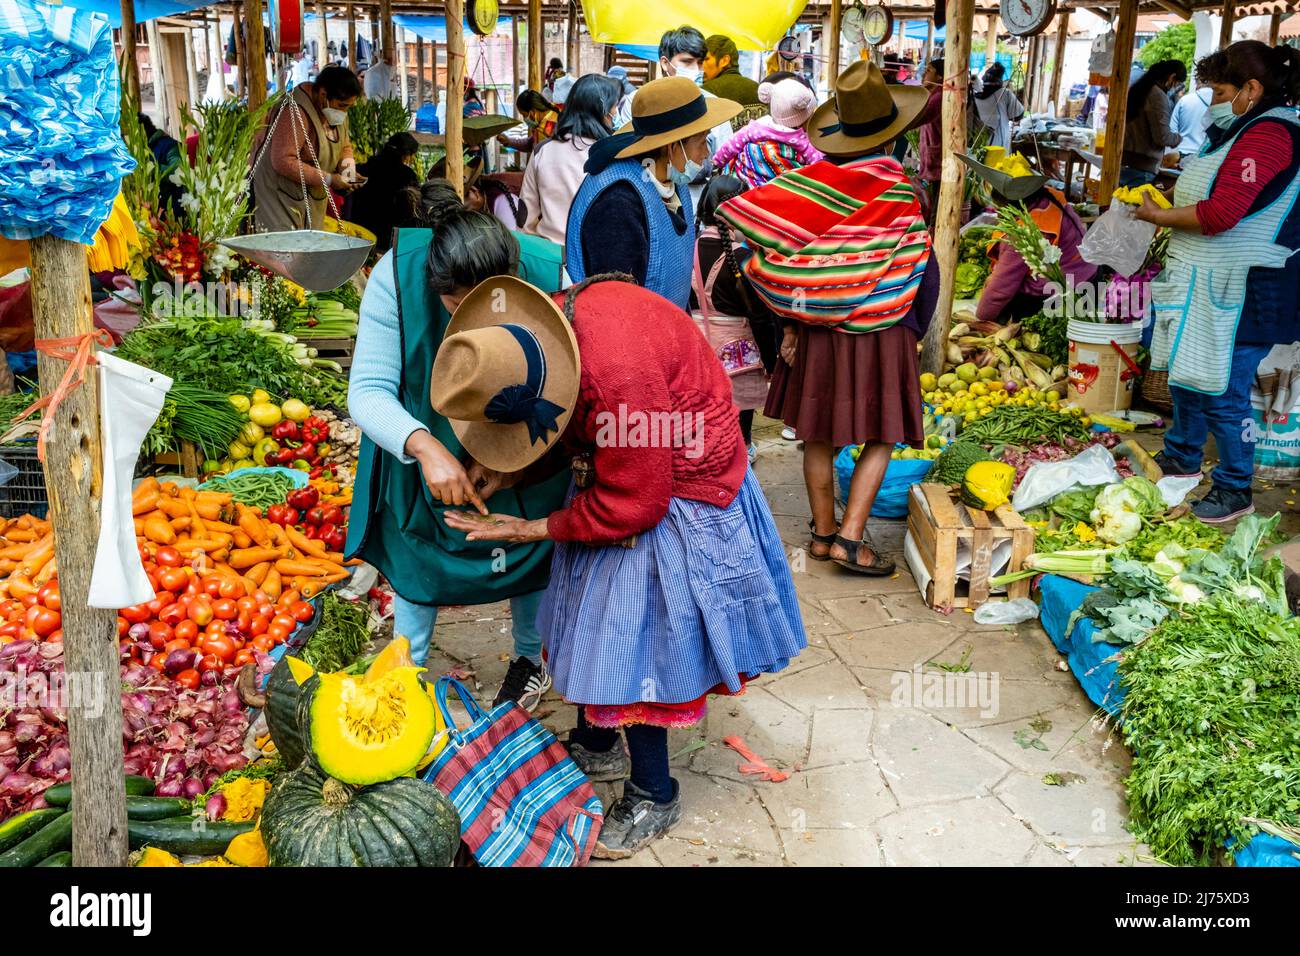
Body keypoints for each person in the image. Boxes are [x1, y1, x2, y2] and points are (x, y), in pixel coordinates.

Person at [440, 274, 805, 859]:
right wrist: (512, 470)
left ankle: (654, 792)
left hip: (680, 485)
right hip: (635, 465)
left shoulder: (617, 373)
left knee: (634, 643)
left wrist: (532, 526)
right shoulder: (545, 334)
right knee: (586, 610)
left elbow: (637, 501)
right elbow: (565, 422)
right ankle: (597, 737)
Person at [346, 184, 571, 710]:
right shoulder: (395, 278)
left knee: (529, 543)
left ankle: (527, 660)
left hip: (524, 432)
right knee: (418, 549)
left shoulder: (549, 272)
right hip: (425, 426)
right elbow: (369, 391)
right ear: (434, 284)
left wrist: (516, 462)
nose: (476, 316)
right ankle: (407, 674)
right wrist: (424, 448)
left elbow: (570, 379)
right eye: (456, 305)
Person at [717, 60, 939, 574]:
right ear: (891, 138)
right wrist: (913, 326)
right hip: (885, 329)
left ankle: (821, 534)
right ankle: (850, 538)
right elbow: (922, 271)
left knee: (818, 433)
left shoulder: (808, 188)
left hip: (817, 329)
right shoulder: (906, 194)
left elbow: (756, 232)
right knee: (882, 434)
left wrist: (795, 318)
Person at [1136, 41, 1300, 523]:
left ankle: (1234, 487)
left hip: (1247, 287)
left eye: (1220, 90)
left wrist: (1158, 216)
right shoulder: (1236, 129)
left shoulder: (1270, 136)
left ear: (1252, 88)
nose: (1212, 101)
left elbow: (1224, 212)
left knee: (1224, 390)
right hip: (1205, 281)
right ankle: (1182, 457)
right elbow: (1215, 189)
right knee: (1189, 374)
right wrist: (1165, 197)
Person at [567, 76, 740, 309]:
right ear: (673, 146)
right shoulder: (617, 204)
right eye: (701, 142)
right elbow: (617, 306)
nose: (707, 153)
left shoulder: (673, 179)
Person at [691, 175, 784, 463]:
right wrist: (771, 361)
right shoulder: (741, 257)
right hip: (740, 355)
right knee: (740, 440)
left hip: (697, 347)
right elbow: (761, 317)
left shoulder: (687, 249)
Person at [959, 158, 1097, 323]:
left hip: (1066, 294)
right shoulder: (1048, 196)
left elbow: (1000, 290)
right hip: (1089, 274)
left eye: (999, 208)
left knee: (1005, 303)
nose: (999, 214)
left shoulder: (1021, 234)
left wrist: (979, 320)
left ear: (1009, 205)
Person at [251, 65, 361, 232]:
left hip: (310, 196)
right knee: (285, 251)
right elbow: (283, 160)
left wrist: (348, 170)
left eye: (348, 107)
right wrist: (330, 179)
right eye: (342, 105)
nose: (344, 111)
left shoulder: (334, 109)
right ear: (323, 94)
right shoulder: (294, 110)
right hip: (280, 197)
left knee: (309, 246)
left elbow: (344, 145)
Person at [520, 74, 621, 245]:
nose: (615, 113)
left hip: (551, 259)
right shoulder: (613, 155)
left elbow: (526, 216)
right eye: (614, 107)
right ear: (601, 111)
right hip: (596, 260)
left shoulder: (542, 151)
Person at [646, 25, 737, 201]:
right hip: (652, 200)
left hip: (698, 205)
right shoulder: (641, 104)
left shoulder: (715, 107)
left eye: (700, 63)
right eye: (687, 62)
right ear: (665, 63)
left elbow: (725, 162)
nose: (696, 69)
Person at [711, 75, 823, 189]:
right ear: (803, 120)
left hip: (748, 186)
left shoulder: (756, 127)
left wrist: (717, 161)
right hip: (776, 190)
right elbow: (819, 164)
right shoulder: (801, 140)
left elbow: (730, 145)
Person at [1120, 59, 1186, 187]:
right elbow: (1162, 137)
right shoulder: (1157, 96)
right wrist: (1178, 138)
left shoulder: (1139, 88)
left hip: (1125, 162)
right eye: (1177, 84)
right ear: (1172, 77)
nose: (1176, 88)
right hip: (1141, 168)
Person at [349, 132, 419, 252]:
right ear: (406, 154)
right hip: (388, 236)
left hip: (360, 231)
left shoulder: (367, 166)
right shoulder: (407, 175)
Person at [916, 58, 944, 217]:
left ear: (940, 77)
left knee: (934, 206)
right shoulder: (933, 93)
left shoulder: (939, 96)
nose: (924, 73)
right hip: (931, 156)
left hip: (938, 161)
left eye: (930, 70)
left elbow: (921, 117)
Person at [972, 62, 1024, 150]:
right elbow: (1018, 115)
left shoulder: (974, 94)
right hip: (999, 145)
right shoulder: (1004, 93)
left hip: (978, 143)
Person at [702, 34, 761, 106]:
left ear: (724, 61)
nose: (700, 65)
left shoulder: (706, 92)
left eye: (706, 59)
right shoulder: (758, 90)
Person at [498, 89, 558, 155]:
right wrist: (508, 141)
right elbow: (530, 144)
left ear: (532, 112)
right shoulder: (542, 124)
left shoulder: (551, 126)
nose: (524, 119)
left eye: (524, 115)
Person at [1172, 83, 1212, 160]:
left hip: (1179, 153)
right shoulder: (1219, 104)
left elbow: (1172, 129)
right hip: (1203, 156)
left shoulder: (1185, 100)